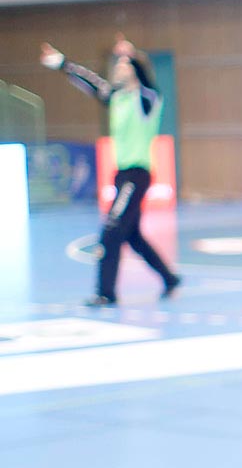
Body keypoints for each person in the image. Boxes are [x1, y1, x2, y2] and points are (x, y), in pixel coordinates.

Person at [41, 36, 181, 307]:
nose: (118, 68)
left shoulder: (147, 99)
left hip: (137, 174)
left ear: (135, 70)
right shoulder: (116, 97)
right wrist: (62, 63)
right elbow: (90, 82)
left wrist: (134, 55)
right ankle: (169, 278)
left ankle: (106, 292)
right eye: (118, 64)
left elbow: (145, 76)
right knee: (132, 236)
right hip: (121, 176)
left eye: (124, 65)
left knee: (112, 229)